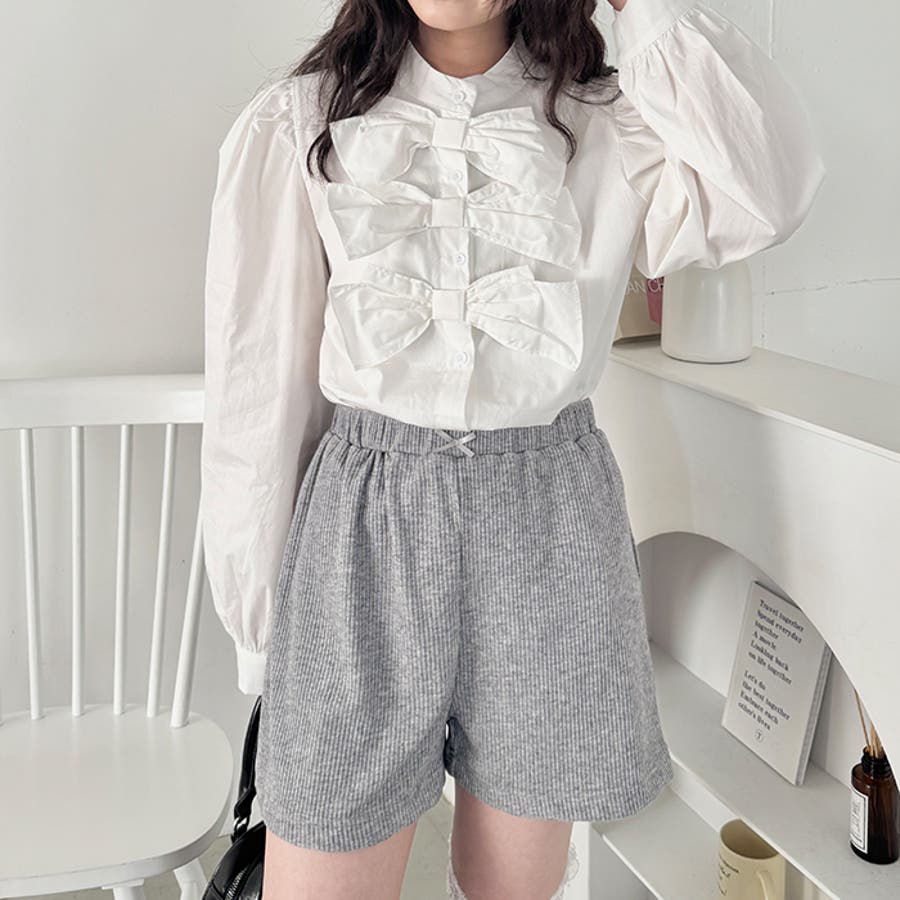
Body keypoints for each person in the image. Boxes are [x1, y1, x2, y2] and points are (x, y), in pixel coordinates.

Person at [199, 0, 825, 897]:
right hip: (364, 532)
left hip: (550, 526)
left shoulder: (611, 118)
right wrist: (263, 633)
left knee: (513, 887)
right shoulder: (301, 122)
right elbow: (257, 394)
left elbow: (772, 188)